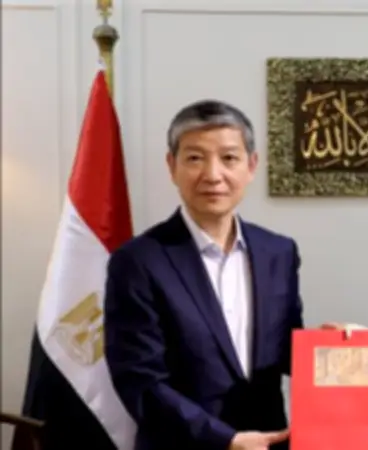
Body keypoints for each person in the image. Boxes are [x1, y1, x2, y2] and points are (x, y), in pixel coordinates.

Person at [104, 100, 301, 450]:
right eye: (195, 158)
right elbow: (140, 380)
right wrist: (225, 440)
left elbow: (288, 351)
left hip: (268, 442)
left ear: (251, 165)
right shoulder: (137, 261)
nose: (213, 175)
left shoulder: (278, 253)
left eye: (229, 158)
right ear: (172, 166)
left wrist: (342, 346)